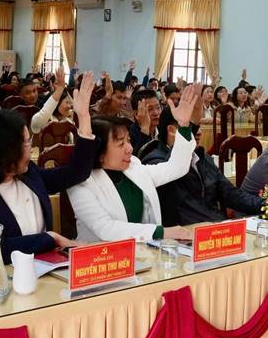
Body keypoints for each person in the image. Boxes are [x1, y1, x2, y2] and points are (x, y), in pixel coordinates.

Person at [0, 72, 97, 263]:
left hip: (47, 269)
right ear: (2, 151)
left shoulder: (30, 174)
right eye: (26, 144)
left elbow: (77, 172)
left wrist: (84, 118)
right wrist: (50, 238)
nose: (31, 151)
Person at [68, 86, 200, 243]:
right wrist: (161, 232)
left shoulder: (134, 167)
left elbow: (176, 168)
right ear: (100, 152)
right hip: (100, 254)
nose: (129, 148)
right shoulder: (81, 183)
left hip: (142, 251)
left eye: (128, 141)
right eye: (120, 144)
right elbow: (107, 228)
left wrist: (184, 126)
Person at [144, 106, 264, 225]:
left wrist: (266, 205)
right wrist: (219, 224)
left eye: (199, 126)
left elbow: (231, 194)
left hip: (215, 225)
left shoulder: (202, 156)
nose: (199, 132)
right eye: (192, 126)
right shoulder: (158, 163)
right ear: (171, 130)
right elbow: (186, 211)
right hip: (188, 231)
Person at [30, 67, 70, 134]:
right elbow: (46, 112)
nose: (69, 106)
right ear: (56, 104)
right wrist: (60, 89)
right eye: (67, 102)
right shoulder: (39, 121)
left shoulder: (67, 122)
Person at [129, 88, 162, 152]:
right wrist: (145, 130)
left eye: (158, 107)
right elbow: (138, 156)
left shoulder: (163, 129)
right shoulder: (129, 134)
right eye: (150, 109)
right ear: (136, 114)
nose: (156, 113)